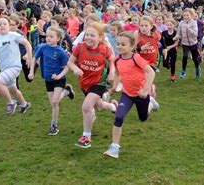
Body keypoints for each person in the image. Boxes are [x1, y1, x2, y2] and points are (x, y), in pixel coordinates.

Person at [103, 31, 159, 159]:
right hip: (127, 94)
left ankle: (150, 103)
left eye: (123, 44)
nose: (119, 46)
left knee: (143, 118)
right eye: (118, 44)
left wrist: (145, 90)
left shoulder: (136, 58)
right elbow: (117, 74)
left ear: (132, 46)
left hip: (141, 95)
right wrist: (114, 87)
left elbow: (150, 72)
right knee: (119, 117)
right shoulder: (117, 60)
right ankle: (114, 147)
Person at [67, 22, 118, 149]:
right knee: (99, 105)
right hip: (85, 82)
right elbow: (70, 62)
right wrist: (75, 69)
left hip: (99, 82)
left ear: (100, 37)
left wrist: (111, 72)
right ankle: (113, 107)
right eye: (87, 35)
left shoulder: (104, 49)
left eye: (92, 35)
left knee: (86, 106)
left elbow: (112, 60)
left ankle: (86, 137)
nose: (88, 37)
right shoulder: (80, 47)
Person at [0, 16, 33, 115]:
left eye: (5, 24)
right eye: (0, 24)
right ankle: (24, 104)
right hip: (4, 69)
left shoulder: (13, 35)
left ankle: (11, 103)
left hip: (15, 67)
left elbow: (27, 43)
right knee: (13, 89)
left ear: (9, 26)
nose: (2, 26)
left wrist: (29, 56)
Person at [28, 27, 73, 136]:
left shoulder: (61, 52)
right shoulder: (42, 48)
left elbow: (68, 67)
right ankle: (66, 91)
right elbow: (34, 58)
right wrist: (31, 72)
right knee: (53, 104)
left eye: (51, 36)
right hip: (48, 79)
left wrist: (59, 76)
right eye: (47, 36)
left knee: (54, 102)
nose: (48, 38)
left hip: (59, 79)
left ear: (58, 38)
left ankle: (54, 126)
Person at [137, 16, 161, 97]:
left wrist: (163, 48)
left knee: (147, 77)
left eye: (146, 26)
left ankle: (148, 94)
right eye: (141, 25)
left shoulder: (156, 35)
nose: (143, 28)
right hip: (141, 62)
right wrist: (141, 48)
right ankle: (151, 88)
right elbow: (132, 50)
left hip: (152, 61)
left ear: (151, 26)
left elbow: (160, 42)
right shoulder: (137, 36)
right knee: (142, 80)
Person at [176, 8, 200, 79]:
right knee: (185, 56)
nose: (186, 17)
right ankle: (183, 72)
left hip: (193, 43)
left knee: (195, 58)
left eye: (187, 15)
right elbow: (178, 33)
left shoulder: (194, 22)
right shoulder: (181, 23)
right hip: (185, 43)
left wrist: (189, 30)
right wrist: (176, 37)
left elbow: (196, 34)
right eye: (184, 15)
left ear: (191, 15)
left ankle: (197, 69)